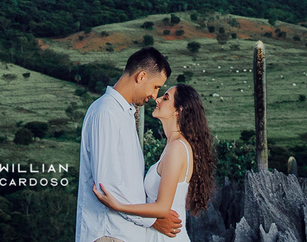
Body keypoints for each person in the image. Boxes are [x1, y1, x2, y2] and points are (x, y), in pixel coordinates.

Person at [76, 47, 183, 242]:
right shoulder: (106, 112)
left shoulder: (123, 113)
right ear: (141, 76)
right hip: (108, 233)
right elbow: (106, 187)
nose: (154, 96)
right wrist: (151, 221)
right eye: (156, 86)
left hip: (122, 233)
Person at [92, 84, 216, 242]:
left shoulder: (177, 148)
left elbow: (162, 208)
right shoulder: (173, 146)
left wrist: (117, 206)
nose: (157, 99)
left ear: (178, 110)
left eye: (165, 98)